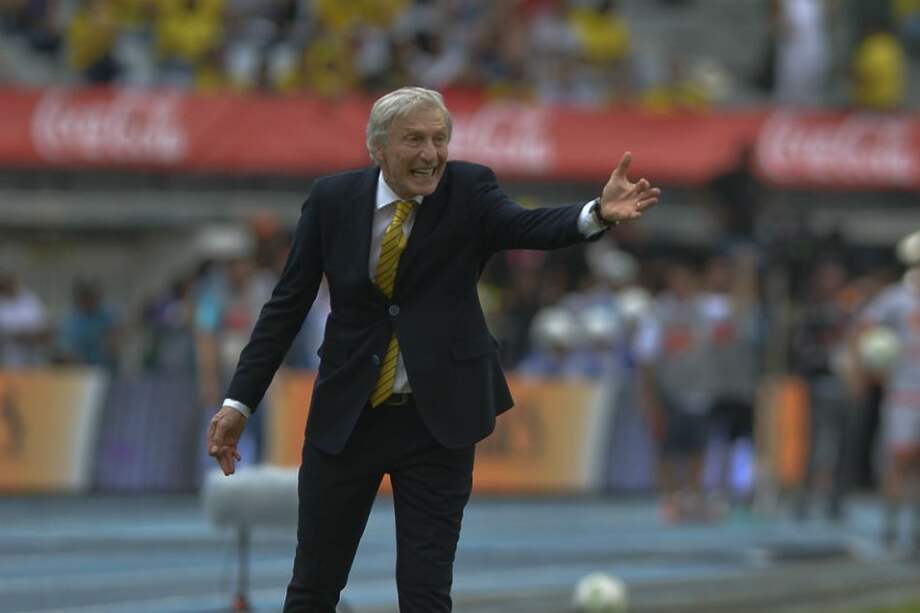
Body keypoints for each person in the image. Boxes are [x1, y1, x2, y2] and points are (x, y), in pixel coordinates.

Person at [205, 86, 660, 612]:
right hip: (348, 416)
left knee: (425, 593)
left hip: (437, 423)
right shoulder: (332, 200)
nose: (430, 154)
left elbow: (525, 225)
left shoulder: (469, 189)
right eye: (414, 140)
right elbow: (285, 308)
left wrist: (595, 214)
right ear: (378, 148)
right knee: (313, 587)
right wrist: (239, 403)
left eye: (439, 139)